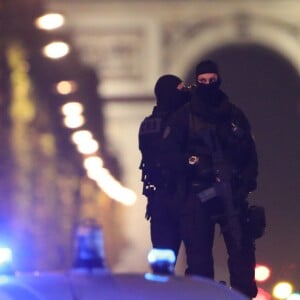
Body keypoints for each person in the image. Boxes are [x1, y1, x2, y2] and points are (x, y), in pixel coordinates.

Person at [165, 60, 259, 298]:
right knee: (198, 261)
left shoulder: (234, 115)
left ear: (219, 80)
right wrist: (195, 170)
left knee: (241, 255)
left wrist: (243, 185)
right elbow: (172, 155)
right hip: (199, 194)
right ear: (197, 81)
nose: (208, 85)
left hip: (232, 194)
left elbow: (250, 154)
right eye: (203, 81)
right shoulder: (183, 117)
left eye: (212, 80)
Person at [138, 74, 190, 264]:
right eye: (180, 90)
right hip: (185, 197)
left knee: (163, 260)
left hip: (159, 198)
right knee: (197, 260)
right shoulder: (184, 122)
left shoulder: (147, 125)